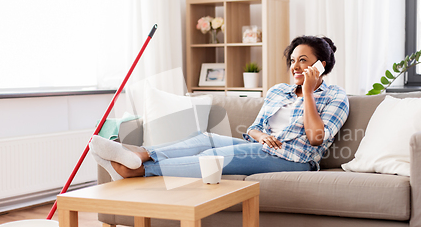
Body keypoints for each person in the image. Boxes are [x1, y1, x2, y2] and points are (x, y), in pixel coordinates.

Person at [90, 35, 349, 181]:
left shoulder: (335, 96)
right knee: (206, 139)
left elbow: (316, 139)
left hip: (296, 160)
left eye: (303, 61)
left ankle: (135, 169)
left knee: (216, 157)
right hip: (264, 148)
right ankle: (138, 153)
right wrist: (263, 136)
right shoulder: (278, 91)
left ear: (321, 65)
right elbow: (254, 129)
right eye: (292, 60)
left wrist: (307, 93)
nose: (295, 66)